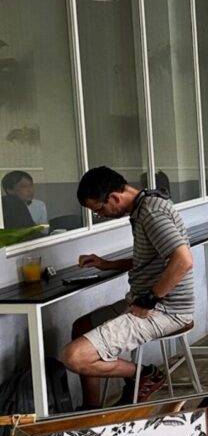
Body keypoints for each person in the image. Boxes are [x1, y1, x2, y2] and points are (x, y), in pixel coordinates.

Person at [60, 167, 194, 408]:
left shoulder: (151, 213)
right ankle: (92, 410)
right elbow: (152, 259)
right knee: (82, 327)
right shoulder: (142, 207)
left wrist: (149, 299)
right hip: (145, 302)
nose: (101, 215)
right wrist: (106, 264)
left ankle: (144, 374)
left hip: (165, 309)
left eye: (99, 210)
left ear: (114, 197)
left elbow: (183, 261)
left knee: (74, 357)